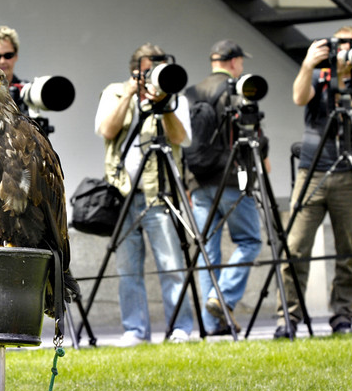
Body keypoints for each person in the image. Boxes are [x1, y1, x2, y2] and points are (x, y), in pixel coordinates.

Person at [276, 26, 352, 338]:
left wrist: (343, 82)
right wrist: (309, 64)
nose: (344, 52)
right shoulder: (317, 80)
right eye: (340, 46)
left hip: (350, 173)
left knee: (348, 250)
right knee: (294, 247)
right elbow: (298, 97)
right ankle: (288, 318)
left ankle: (343, 316)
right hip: (312, 171)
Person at [94, 43, 194, 345]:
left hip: (158, 191)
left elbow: (180, 138)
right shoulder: (114, 91)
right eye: (151, 69)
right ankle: (135, 330)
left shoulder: (174, 95)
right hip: (123, 191)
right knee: (127, 269)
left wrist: (163, 105)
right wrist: (128, 94)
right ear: (136, 70)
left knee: (171, 264)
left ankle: (181, 328)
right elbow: (107, 130)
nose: (156, 75)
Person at [184, 40, 264, 336]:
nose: (242, 68)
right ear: (233, 62)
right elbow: (254, 134)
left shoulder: (190, 93)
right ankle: (224, 297)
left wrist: (187, 184)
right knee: (251, 240)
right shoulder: (237, 90)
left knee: (209, 252)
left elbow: (181, 139)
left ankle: (213, 324)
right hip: (231, 178)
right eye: (241, 62)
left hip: (198, 182)